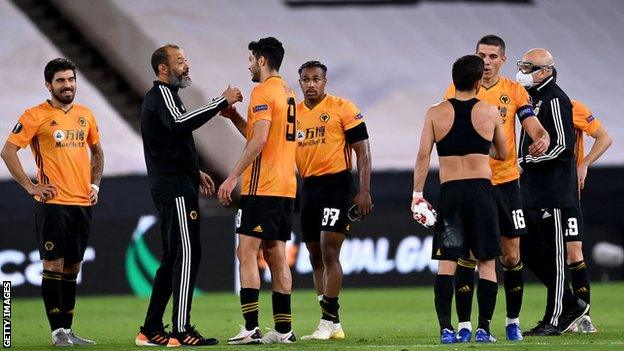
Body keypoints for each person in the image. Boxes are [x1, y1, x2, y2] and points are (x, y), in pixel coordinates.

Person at [443, 35, 550, 342]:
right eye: (481, 55)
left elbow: (531, 123)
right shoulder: (457, 90)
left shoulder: (514, 91)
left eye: (492, 56)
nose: (486, 62)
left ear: (503, 60)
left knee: (512, 256)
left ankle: (512, 321)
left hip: (505, 184)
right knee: (471, 255)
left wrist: (541, 136)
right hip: (473, 183)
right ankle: (467, 326)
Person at [135, 44, 242, 347]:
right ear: (163, 69)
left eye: (186, 60)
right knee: (188, 254)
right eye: (180, 61)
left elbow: (168, 143)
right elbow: (181, 124)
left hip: (176, 183)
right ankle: (181, 329)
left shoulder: (165, 98)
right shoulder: (163, 95)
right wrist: (221, 102)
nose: (187, 66)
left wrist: (194, 171)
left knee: (172, 259)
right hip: (174, 190)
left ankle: (151, 328)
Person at [1, 58, 104, 347]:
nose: (67, 85)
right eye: (60, 80)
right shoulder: (35, 115)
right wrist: (30, 186)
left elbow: (97, 152)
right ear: (49, 85)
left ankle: (68, 331)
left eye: (71, 79)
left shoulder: (86, 115)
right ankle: (57, 332)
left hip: (82, 203)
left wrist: (95, 184)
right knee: (54, 265)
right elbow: (8, 151)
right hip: (54, 203)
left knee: (73, 268)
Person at [413, 55, 507, 344]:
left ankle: (446, 329)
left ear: (454, 80)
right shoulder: (490, 112)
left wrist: (417, 195)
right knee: (487, 262)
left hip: (450, 192)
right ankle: (483, 329)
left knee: (447, 263)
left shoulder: (434, 113)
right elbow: (503, 153)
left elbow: (423, 156)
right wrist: (480, 151)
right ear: (479, 82)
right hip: (481, 192)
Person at [217, 37, 298, 345]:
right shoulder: (287, 92)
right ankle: (283, 330)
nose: (249, 64)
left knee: (246, 252)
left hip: (261, 185)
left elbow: (260, 140)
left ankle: (251, 327)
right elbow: (261, 135)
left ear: (262, 60)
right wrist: (236, 117)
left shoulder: (262, 91)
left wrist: (232, 176)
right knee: (276, 254)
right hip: (285, 186)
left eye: (251, 59)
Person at [292, 61, 373, 340]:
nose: (311, 84)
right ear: (299, 82)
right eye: (306, 79)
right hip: (309, 188)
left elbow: (362, 150)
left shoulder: (343, 108)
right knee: (314, 256)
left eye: (316, 79)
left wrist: (364, 190)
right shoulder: (295, 114)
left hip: (337, 184)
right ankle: (333, 322)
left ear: (325, 81)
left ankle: (327, 321)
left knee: (329, 251)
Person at [516, 48, 589, 336]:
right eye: (522, 65)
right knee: (526, 249)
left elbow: (562, 147)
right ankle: (571, 302)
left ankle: (556, 318)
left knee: (558, 256)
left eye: (528, 66)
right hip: (534, 192)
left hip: (554, 192)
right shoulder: (532, 99)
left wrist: (524, 161)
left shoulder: (555, 99)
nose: (523, 71)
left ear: (545, 71)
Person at [565, 100, 611, 333]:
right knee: (542, 255)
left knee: (573, 251)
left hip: (567, 193)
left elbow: (604, 137)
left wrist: (584, 163)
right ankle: (564, 310)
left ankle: (583, 316)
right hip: (536, 193)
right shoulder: (522, 103)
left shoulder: (572, 107)